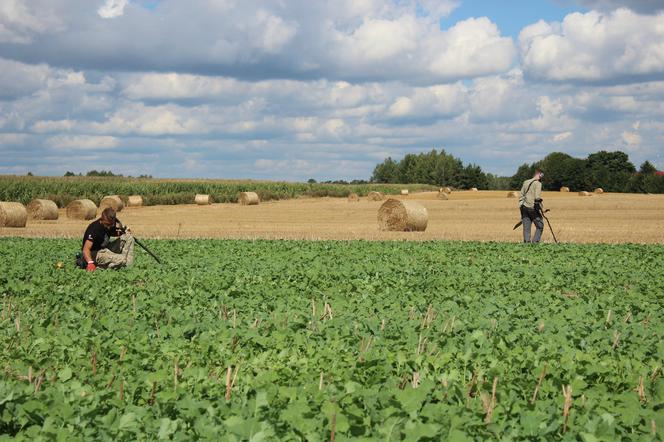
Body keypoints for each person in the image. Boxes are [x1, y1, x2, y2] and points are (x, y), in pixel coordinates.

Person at [78, 207, 135, 271]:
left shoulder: (111, 223)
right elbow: (85, 249)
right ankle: (100, 267)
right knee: (122, 259)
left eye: (111, 224)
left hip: (105, 249)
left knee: (129, 237)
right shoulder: (94, 229)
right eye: (107, 224)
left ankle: (128, 266)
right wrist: (90, 263)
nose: (109, 227)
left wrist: (125, 231)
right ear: (102, 219)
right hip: (94, 253)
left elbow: (116, 233)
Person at [518, 170, 544, 243]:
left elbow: (521, 195)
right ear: (539, 174)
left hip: (523, 208)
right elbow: (537, 197)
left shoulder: (526, 182)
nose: (542, 177)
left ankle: (527, 243)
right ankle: (535, 243)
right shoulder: (538, 183)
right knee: (540, 226)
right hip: (532, 208)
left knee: (526, 228)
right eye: (542, 175)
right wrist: (540, 204)